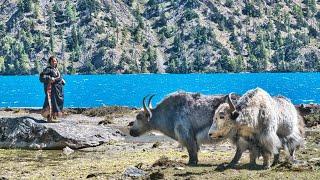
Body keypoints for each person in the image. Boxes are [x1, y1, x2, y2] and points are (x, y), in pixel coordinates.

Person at [39, 56, 65, 122]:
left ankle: (54, 116)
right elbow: (41, 77)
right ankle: (49, 118)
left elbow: (57, 77)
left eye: (55, 61)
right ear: (50, 62)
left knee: (58, 102)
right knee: (51, 102)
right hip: (51, 90)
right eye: (52, 61)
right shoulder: (48, 69)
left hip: (58, 90)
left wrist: (62, 80)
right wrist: (49, 78)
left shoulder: (56, 69)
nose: (54, 62)